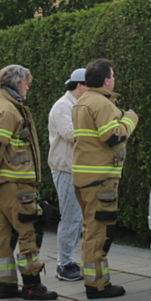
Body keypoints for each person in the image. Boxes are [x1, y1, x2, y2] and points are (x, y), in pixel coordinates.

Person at [0, 65, 58, 301]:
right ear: (18, 83)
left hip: (0, 183)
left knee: (2, 234)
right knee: (29, 230)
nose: (28, 88)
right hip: (16, 182)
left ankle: (5, 284)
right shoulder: (10, 111)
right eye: (27, 83)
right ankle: (32, 284)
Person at [72, 59, 138, 299]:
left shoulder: (82, 102)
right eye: (113, 75)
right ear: (107, 80)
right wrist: (130, 119)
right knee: (100, 233)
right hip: (101, 179)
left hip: (83, 176)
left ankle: (93, 280)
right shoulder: (102, 103)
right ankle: (98, 285)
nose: (114, 79)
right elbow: (112, 137)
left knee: (90, 231)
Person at [47, 68, 87, 282]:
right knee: (71, 216)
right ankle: (64, 264)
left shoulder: (76, 105)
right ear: (80, 85)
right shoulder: (63, 106)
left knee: (78, 217)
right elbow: (71, 134)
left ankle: (70, 261)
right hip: (65, 168)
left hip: (76, 168)